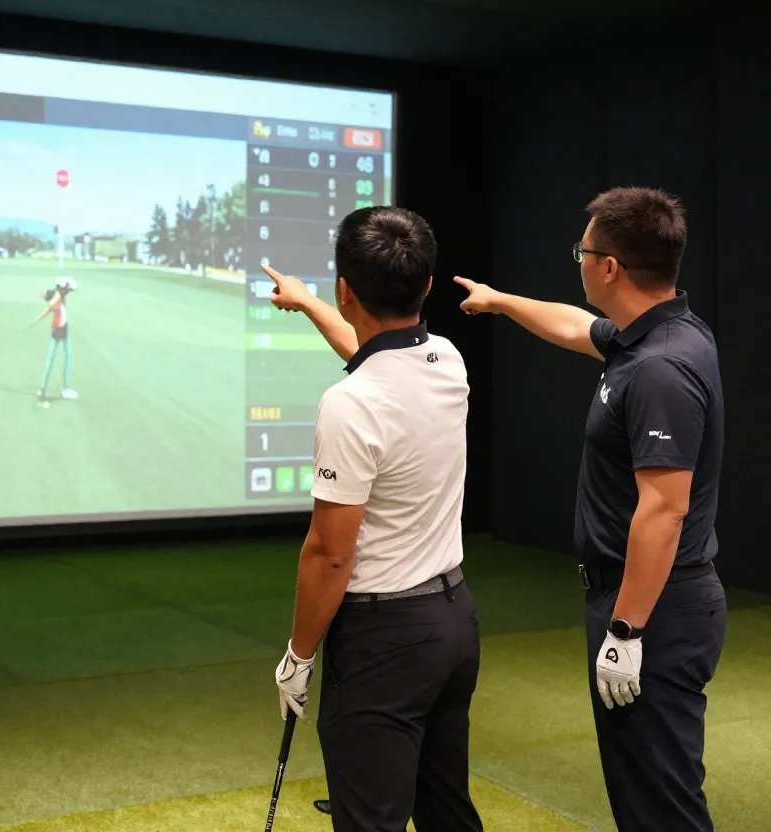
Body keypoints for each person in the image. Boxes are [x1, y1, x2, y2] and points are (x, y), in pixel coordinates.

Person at [454, 186, 726, 831]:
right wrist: (499, 302)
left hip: (655, 610)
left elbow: (664, 509)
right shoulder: (655, 333)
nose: (576, 261)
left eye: (583, 250)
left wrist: (628, 632)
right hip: (647, 601)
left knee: (663, 805)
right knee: (644, 796)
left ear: (609, 267)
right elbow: (575, 325)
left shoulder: (660, 367)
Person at [267, 205, 484, 832]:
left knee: (370, 822)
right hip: (453, 625)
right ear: (425, 284)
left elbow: (329, 553)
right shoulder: (447, 360)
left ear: (347, 288)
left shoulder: (349, 404)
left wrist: (299, 655)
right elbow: (375, 356)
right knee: (446, 813)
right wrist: (310, 304)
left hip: (384, 642)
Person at [36, 276, 78, 402]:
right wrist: (41, 316)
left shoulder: (59, 295)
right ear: (64, 288)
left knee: (63, 356)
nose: (69, 292)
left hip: (61, 327)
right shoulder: (58, 297)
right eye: (68, 289)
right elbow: (50, 305)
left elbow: (48, 299)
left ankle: (42, 389)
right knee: (58, 357)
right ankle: (64, 389)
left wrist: (41, 316)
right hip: (59, 328)